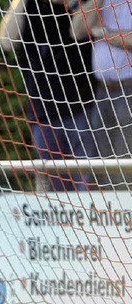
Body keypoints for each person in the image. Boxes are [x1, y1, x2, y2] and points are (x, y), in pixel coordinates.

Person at [0, 0, 96, 192]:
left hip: (82, 107)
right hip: (42, 113)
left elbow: (78, 30)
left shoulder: (78, 4)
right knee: (53, 190)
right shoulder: (28, 8)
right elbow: (7, 41)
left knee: (87, 185)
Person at [72, 0, 132, 189]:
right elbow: (76, 31)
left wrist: (102, 33)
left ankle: (127, 215)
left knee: (124, 165)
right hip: (102, 92)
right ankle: (108, 215)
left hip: (129, 91)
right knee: (101, 165)